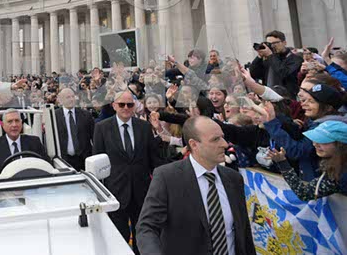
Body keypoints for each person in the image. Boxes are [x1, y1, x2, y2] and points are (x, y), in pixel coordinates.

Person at [136, 116, 256, 255]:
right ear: (194, 144)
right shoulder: (167, 177)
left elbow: (244, 232)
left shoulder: (233, 179)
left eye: (223, 137)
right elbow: (147, 228)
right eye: (215, 139)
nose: (225, 144)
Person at [93, 90, 164, 254]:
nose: (126, 108)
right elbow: (97, 161)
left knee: (143, 237)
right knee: (119, 239)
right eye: (122, 104)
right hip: (115, 192)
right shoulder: (102, 128)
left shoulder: (144, 127)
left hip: (142, 192)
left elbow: (154, 159)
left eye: (130, 104)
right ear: (114, 106)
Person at [269, 120, 347, 200]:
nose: (315, 144)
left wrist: (282, 163)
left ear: (340, 145)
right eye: (315, 140)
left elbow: (304, 193)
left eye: (323, 141)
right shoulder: (336, 164)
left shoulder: (342, 172)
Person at [0, 109, 47, 176]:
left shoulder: (34, 142)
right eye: (10, 121)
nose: (14, 125)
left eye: (17, 121)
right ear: (3, 125)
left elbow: (47, 165)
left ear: (21, 123)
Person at [250, 30, 303, 96]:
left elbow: (283, 73)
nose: (272, 46)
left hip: (287, 97)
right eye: (269, 44)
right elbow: (253, 74)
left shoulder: (295, 59)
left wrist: (270, 55)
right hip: (268, 96)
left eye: (275, 43)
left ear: (284, 43)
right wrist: (259, 56)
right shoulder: (269, 59)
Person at [55, 88, 94, 171]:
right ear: (61, 100)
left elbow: (94, 137)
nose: (72, 99)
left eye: (73, 96)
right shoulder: (54, 116)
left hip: (84, 159)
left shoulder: (86, 115)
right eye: (68, 97)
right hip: (63, 160)